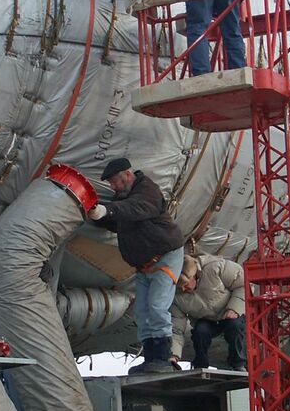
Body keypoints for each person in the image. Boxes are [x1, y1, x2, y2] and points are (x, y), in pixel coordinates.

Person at [88, 158, 185, 374]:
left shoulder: (146, 190)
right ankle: (151, 357)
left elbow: (136, 209)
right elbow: (121, 220)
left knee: (158, 306)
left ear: (127, 175)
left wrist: (107, 210)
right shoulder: (125, 197)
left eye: (114, 181)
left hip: (165, 257)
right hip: (145, 264)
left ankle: (162, 357)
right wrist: (98, 217)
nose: (113, 187)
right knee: (142, 311)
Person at [171, 253, 247, 370]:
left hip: (229, 313)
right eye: (179, 286)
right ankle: (200, 366)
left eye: (186, 285)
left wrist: (234, 309)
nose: (183, 289)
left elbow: (243, 284)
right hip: (206, 320)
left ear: (194, 276)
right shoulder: (177, 297)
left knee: (235, 326)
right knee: (200, 332)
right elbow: (176, 328)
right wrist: (174, 355)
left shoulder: (216, 268)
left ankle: (238, 363)